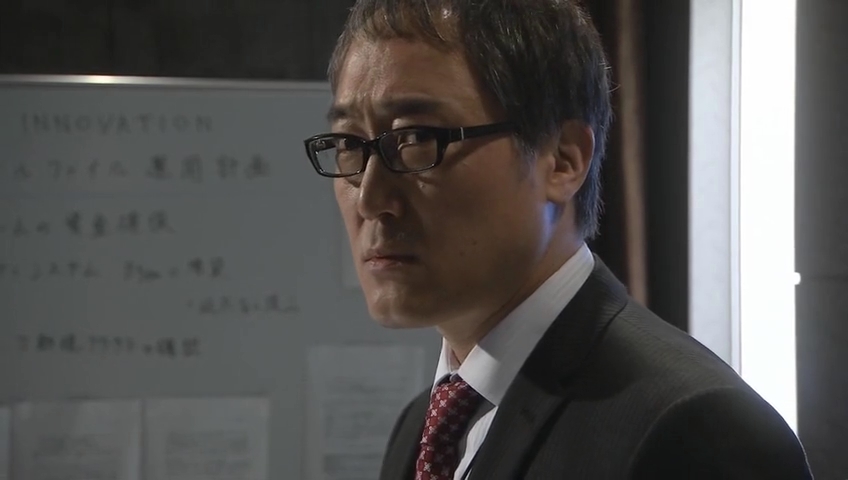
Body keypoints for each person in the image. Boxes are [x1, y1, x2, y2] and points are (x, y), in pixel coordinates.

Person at [303, 0, 813, 478]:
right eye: (349, 144)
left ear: (563, 159)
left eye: (416, 139)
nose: (369, 198)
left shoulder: (696, 430)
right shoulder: (421, 426)